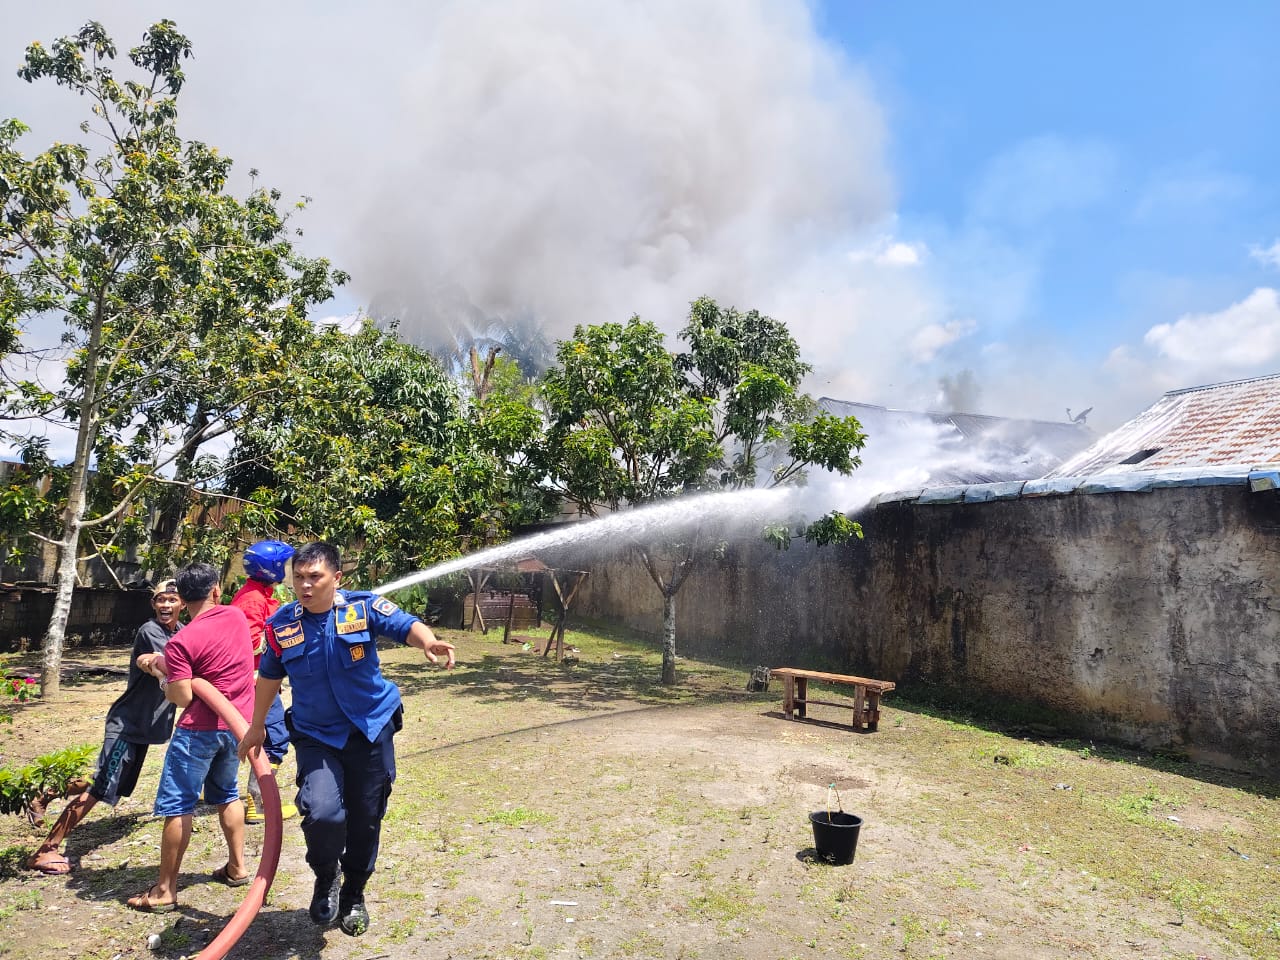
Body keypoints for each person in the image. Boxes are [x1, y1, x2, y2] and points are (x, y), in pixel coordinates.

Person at [238, 541, 456, 937]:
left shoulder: (363, 607)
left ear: (336, 578)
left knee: (366, 816)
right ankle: (326, 877)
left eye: (314, 577)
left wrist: (428, 642)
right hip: (316, 734)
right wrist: (256, 726)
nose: (305, 585)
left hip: (370, 728)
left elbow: (405, 624)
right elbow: (269, 675)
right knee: (322, 812)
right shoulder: (282, 624)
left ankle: (354, 892)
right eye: (298, 577)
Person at [26, 580, 183, 876]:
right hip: (127, 725)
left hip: (144, 729)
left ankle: (44, 795)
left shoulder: (182, 633)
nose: (165, 605)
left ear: (182, 604)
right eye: (160, 600)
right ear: (153, 604)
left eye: (172, 600)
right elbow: (177, 664)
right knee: (101, 787)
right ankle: (46, 850)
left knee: (111, 781)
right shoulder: (151, 632)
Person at [128, 562, 256, 913]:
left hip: (198, 731)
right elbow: (215, 661)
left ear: (182, 600)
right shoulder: (234, 617)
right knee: (227, 794)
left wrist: (159, 670)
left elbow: (183, 696)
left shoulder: (182, 641)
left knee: (178, 805)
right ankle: (237, 867)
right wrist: (163, 662)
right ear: (216, 590)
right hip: (236, 728)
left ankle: (164, 889)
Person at [230, 539, 298, 823]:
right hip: (256, 681)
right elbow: (247, 643)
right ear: (271, 569)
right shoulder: (253, 600)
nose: (287, 569)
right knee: (275, 738)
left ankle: (216, 790)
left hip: (261, 679)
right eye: (283, 565)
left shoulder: (259, 593)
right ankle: (258, 804)